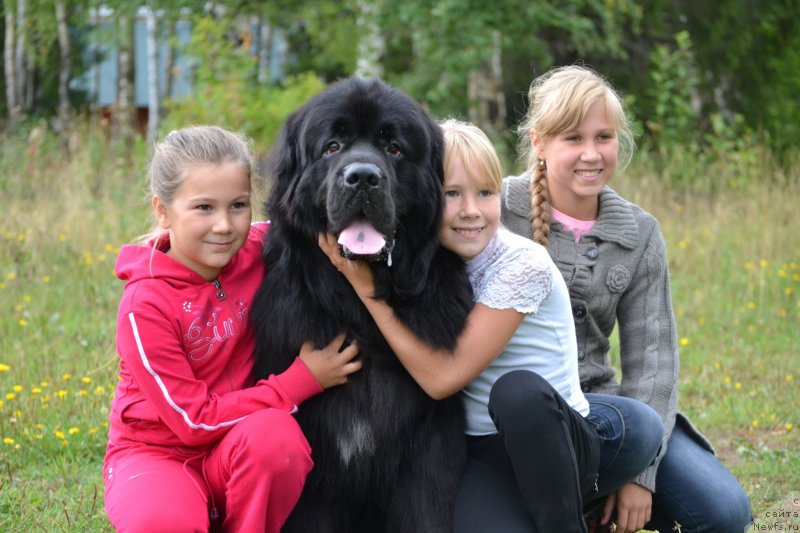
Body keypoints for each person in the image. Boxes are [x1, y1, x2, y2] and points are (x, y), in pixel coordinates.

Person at [320, 119, 631, 532]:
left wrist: (365, 290)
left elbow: (441, 378)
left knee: (516, 392)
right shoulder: (429, 260)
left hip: (557, 438)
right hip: (485, 450)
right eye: (452, 194)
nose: (470, 211)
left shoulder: (522, 265)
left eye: (486, 194)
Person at [502, 64, 752, 532]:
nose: (591, 154)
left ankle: (596, 489)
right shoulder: (495, 210)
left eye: (604, 137)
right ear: (539, 142)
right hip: (517, 419)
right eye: (573, 139)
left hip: (603, 413)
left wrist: (640, 473)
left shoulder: (639, 234)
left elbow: (653, 362)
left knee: (724, 512)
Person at [103, 125, 362, 533]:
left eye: (238, 205)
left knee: (278, 440)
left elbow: (317, 224)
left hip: (241, 446)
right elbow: (192, 422)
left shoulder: (260, 249)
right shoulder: (144, 306)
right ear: (163, 210)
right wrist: (301, 380)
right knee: (162, 523)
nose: (224, 226)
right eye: (203, 208)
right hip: (160, 454)